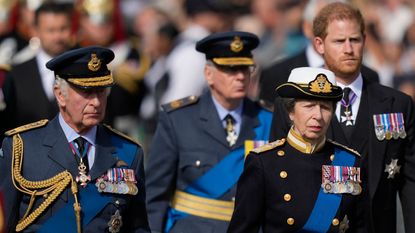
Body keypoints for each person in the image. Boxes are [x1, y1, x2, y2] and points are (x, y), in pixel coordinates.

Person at [269, 2, 415, 233]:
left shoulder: (398, 104)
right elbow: (276, 178)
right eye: (339, 41)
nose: (348, 49)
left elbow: (410, 183)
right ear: (319, 44)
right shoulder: (290, 104)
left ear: (364, 41)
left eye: (354, 40)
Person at [0, 46, 150, 232]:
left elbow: (138, 226)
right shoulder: (21, 148)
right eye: (86, 92)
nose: (96, 102)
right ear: (60, 95)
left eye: (101, 91)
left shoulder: (128, 152)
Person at [145, 31, 273, 233]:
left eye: (245, 68)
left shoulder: (269, 119)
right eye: (230, 69)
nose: (240, 76)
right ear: (208, 73)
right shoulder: (178, 119)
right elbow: (155, 195)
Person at [228, 67, 366, 232]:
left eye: (325, 107)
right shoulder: (264, 163)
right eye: (309, 106)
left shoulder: (348, 161)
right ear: (290, 112)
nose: (318, 115)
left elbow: (361, 226)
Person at [258, 0, 379, 104]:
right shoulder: (276, 76)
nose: (348, 48)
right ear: (306, 27)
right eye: (321, 23)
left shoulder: (368, 77)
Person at [2, 2, 75, 134]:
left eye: (63, 29)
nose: (58, 37)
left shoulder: (83, 70)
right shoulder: (16, 74)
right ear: (35, 31)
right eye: (51, 30)